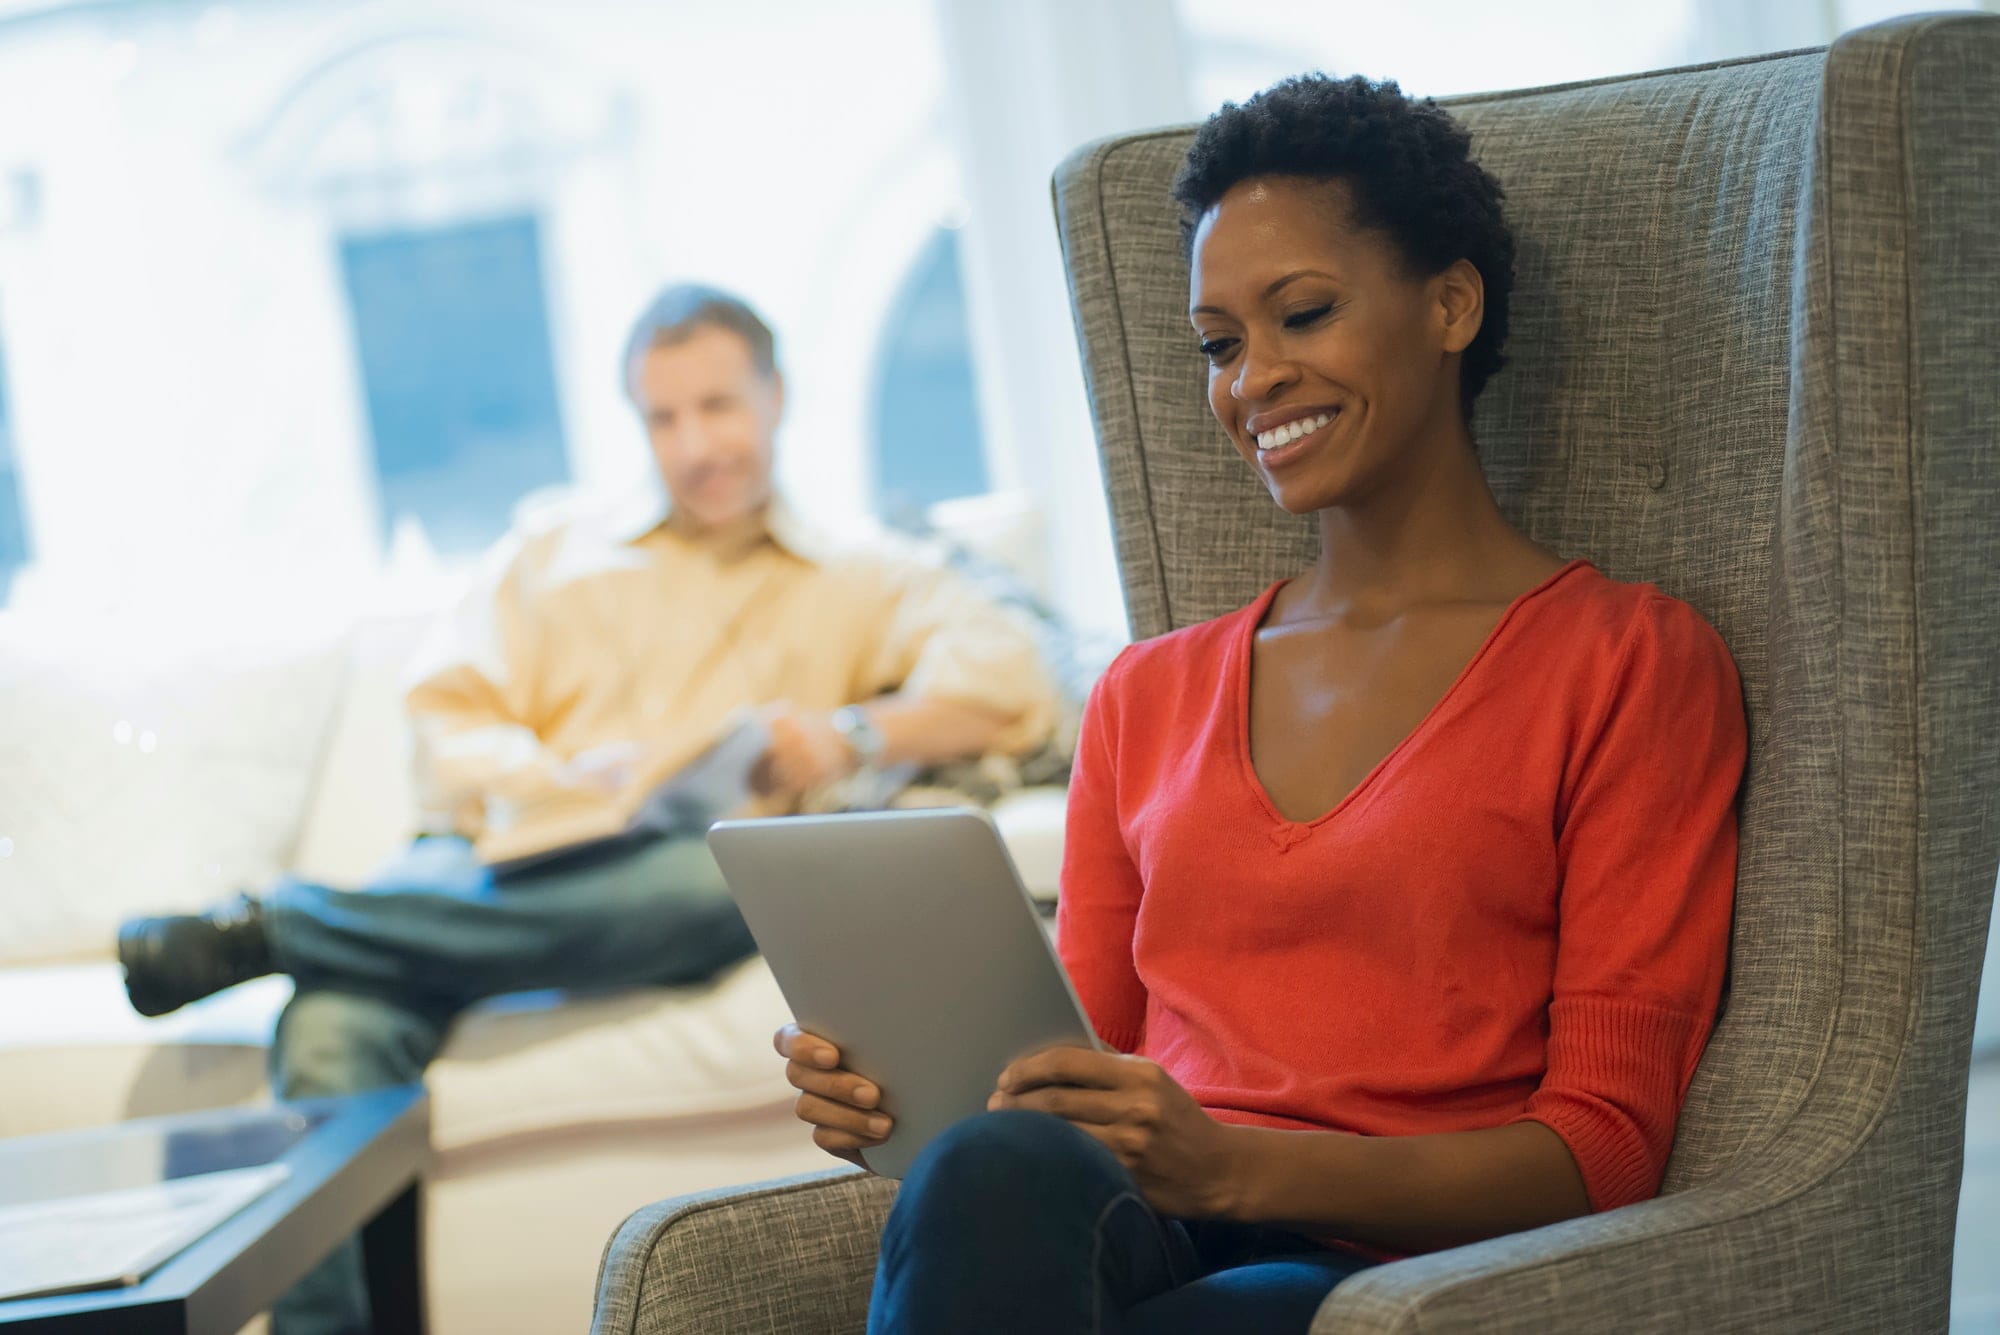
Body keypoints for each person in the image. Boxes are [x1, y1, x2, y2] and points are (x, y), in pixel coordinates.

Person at [777, 74, 1746, 1334]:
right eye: (1221, 344)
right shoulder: (1147, 695)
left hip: (1389, 1273)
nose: (1253, 382)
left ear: (1449, 304)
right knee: (985, 1162)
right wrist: (897, 1112)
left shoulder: (1623, 663)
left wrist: (1235, 1164)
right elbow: (1057, 1080)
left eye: (1302, 314)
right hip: (1146, 1228)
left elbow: (1602, 1148)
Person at [116, 284, 1058, 1335]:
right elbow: (445, 725)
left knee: (733, 868)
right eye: (664, 418)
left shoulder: (854, 574)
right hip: (489, 863)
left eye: (718, 407)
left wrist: (853, 734)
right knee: (332, 1025)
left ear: (776, 396)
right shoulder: (552, 547)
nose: (696, 444)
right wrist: (562, 780)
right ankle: (318, 940)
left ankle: (277, 926)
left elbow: (1013, 678)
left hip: (673, 881)